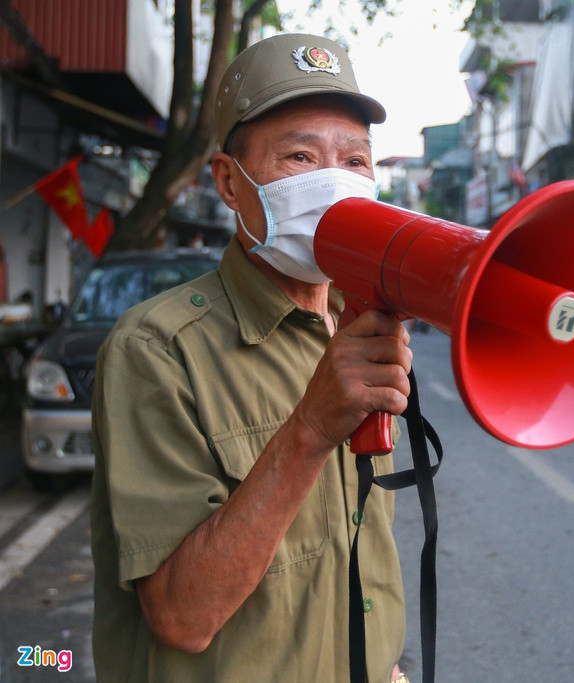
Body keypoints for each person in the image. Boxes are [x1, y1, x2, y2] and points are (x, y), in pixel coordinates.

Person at [91, 34, 412, 681]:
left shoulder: (358, 326)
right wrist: (309, 430)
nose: (335, 182)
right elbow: (182, 616)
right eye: (300, 155)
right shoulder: (157, 349)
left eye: (355, 159)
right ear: (229, 183)